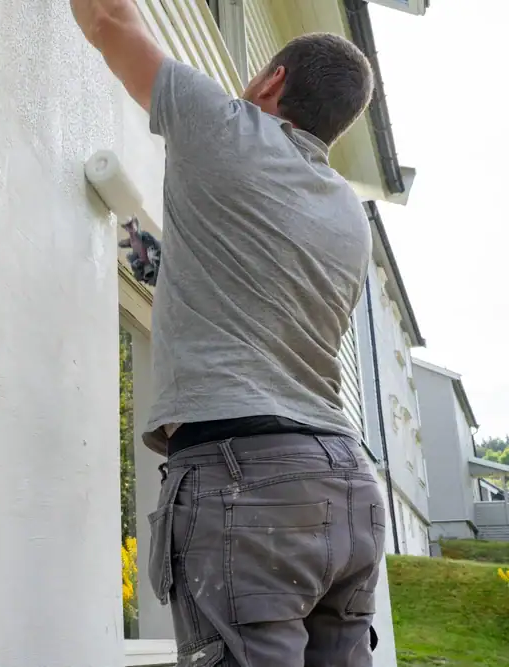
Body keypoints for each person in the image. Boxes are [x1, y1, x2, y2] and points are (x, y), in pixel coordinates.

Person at [70, 2, 385, 665]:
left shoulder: (225, 127)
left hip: (249, 481)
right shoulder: (348, 219)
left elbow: (109, 21)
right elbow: (252, 293)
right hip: (346, 487)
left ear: (271, 82)